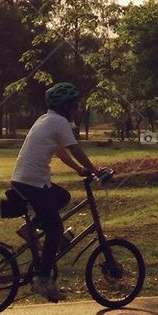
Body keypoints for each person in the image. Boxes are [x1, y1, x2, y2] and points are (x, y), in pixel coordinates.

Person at [10, 82, 99, 301]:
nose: (78, 110)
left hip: (24, 180)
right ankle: (42, 279)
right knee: (56, 230)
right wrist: (95, 171)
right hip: (33, 182)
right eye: (75, 106)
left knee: (63, 197)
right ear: (66, 106)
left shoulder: (46, 119)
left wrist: (79, 169)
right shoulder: (59, 122)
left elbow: (60, 151)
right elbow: (74, 149)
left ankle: (29, 228)